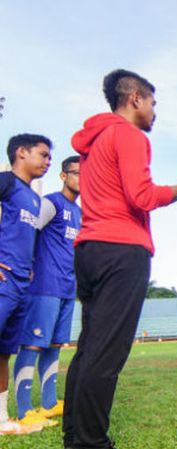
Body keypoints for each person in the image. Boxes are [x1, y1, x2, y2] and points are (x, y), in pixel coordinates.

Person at [64, 69, 177, 449]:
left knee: (89, 348)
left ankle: (75, 436)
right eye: (153, 102)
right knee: (106, 353)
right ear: (135, 99)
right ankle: (91, 442)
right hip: (121, 250)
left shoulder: (94, 141)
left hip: (89, 249)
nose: (155, 111)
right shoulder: (128, 134)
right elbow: (142, 196)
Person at [14, 156, 82, 431]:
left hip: (67, 288)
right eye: (77, 173)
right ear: (63, 176)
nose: (82, 178)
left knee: (54, 346)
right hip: (44, 286)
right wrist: (26, 266)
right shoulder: (50, 203)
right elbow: (26, 232)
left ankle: (50, 403)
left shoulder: (78, 212)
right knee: (33, 344)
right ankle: (23, 409)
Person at [0, 134, 52, 435]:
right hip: (4, 282)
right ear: (21, 152)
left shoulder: (34, 198)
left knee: (4, 353)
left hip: (21, 285)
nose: (47, 162)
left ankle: (2, 419)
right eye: (43, 155)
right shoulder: (6, 182)